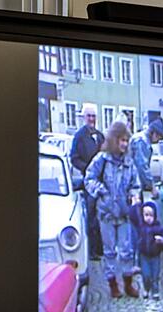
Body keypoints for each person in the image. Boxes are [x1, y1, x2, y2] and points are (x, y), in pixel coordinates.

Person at [85, 121, 141, 299]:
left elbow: (136, 184)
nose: (124, 144)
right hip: (106, 213)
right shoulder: (102, 159)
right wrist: (101, 190)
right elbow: (89, 178)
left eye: (126, 140)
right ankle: (112, 285)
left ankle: (128, 283)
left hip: (124, 214)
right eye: (121, 140)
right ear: (113, 140)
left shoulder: (129, 162)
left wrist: (134, 195)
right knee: (109, 251)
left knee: (126, 250)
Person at [70, 102, 105, 259]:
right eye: (89, 116)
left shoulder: (100, 135)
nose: (91, 119)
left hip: (101, 181)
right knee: (90, 216)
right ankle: (91, 252)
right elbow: (74, 158)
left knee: (101, 215)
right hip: (89, 182)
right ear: (84, 117)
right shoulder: (79, 136)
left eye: (93, 116)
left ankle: (100, 248)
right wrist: (88, 168)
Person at [128, 118, 163, 268]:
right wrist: (152, 186)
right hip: (133, 187)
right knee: (135, 222)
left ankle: (136, 258)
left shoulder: (141, 139)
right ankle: (134, 261)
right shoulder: (142, 142)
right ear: (154, 133)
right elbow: (142, 166)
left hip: (135, 186)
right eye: (159, 137)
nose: (158, 142)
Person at [129, 199, 163, 299]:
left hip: (155, 255)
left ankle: (155, 291)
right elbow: (132, 216)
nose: (148, 218)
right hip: (144, 255)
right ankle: (146, 288)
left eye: (151, 215)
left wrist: (162, 240)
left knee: (155, 275)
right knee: (146, 275)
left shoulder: (158, 227)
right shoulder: (141, 226)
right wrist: (135, 204)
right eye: (146, 215)